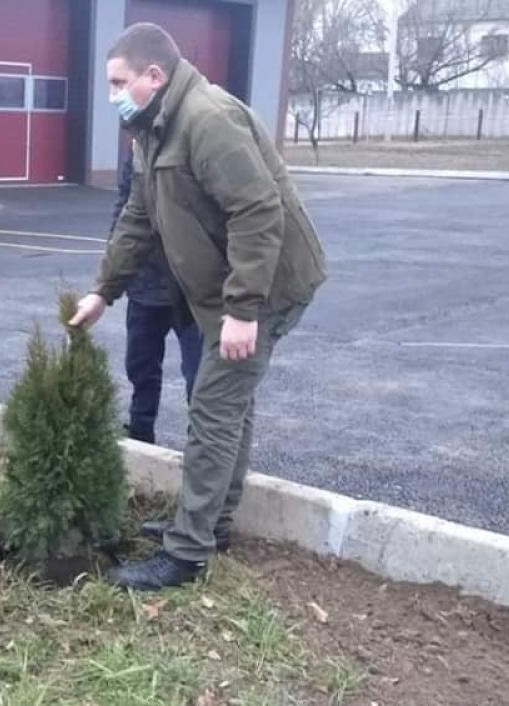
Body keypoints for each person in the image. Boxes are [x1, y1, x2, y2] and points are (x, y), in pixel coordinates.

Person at [70, 23, 327, 590]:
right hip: (231, 290)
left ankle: (187, 554)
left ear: (154, 76)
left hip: (271, 287)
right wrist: (102, 290)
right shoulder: (149, 128)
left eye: (119, 80)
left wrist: (243, 310)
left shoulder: (207, 120)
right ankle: (214, 524)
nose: (111, 92)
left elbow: (259, 212)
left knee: (213, 406)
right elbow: (138, 220)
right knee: (229, 404)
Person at [111, 141, 203, 445]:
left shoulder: (194, 143)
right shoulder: (137, 146)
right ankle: (140, 433)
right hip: (145, 283)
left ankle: (202, 447)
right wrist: (115, 265)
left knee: (200, 375)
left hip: (191, 289)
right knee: (140, 365)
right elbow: (124, 209)